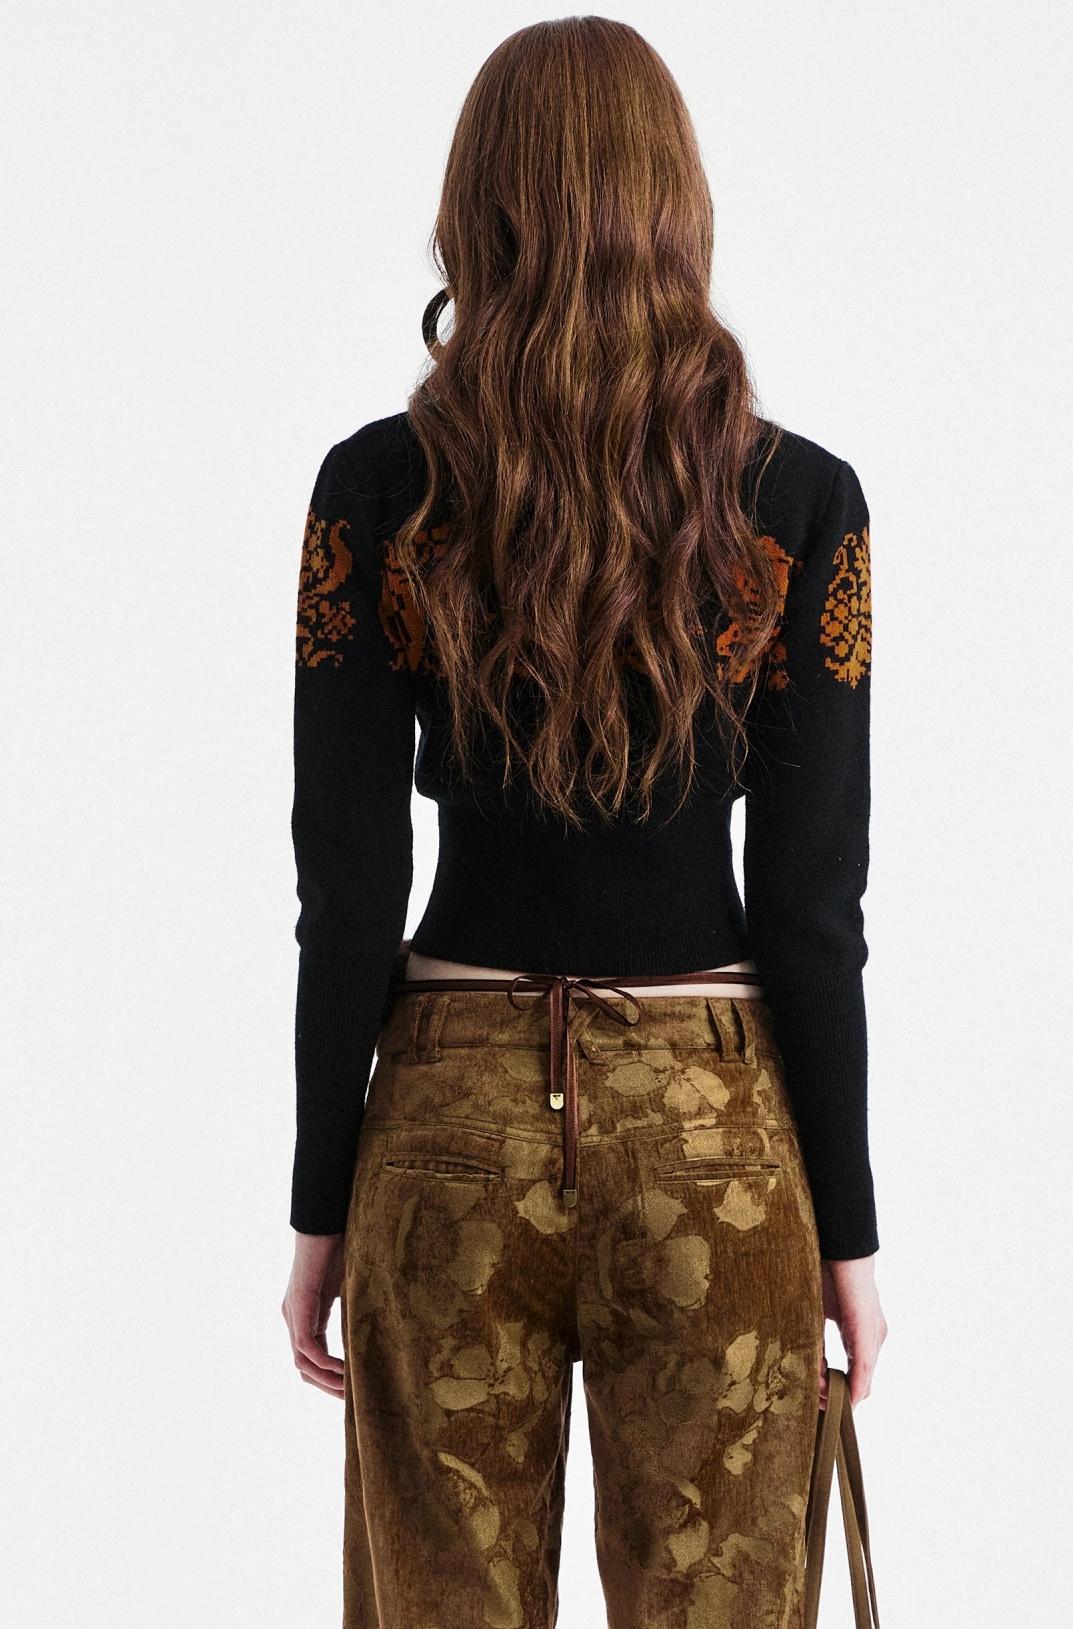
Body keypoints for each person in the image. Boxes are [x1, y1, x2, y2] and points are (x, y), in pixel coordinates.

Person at [281, 16, 888, 1627]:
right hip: (713, 1136)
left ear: (472, 209)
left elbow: (348, 885)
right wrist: (846, 1225)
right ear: (674, 207)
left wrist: (320, 1202)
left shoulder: (375, 489)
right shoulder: (800, 502)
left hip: (446, 1125)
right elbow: (812, 902)